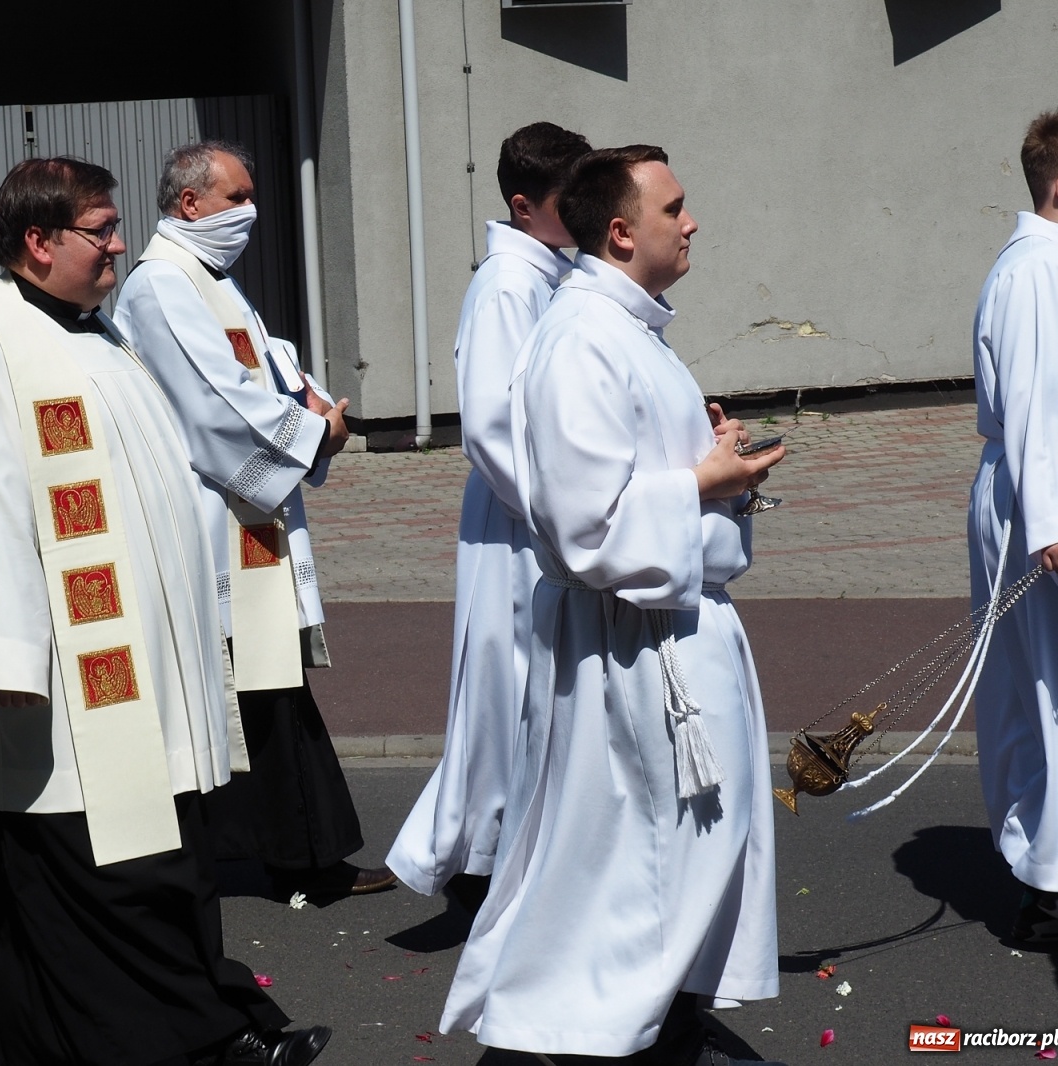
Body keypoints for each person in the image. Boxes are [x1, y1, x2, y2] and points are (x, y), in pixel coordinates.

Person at [0, 156, 330, 1066]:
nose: (118, 246)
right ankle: (204, 1043)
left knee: (165, 859)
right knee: (109, 877)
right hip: (61, 685)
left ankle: (200, 1031)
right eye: (100, 231)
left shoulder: (102, 339)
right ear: (39, 242)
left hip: (148, 663)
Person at [440, 147, 785, 1064]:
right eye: (676, 206)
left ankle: (646, 1022)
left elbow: (644, 474)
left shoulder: (628, 328)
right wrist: (704, 485)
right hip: (633, 646)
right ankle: (595, 1034)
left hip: (666, 628)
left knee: (657, 860)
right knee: (633, 864)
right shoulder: (581, 337)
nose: (693, 221)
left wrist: (715, 465)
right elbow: (585, 527)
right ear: (623, 231)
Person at [114, 141, 394, 898]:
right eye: (235, 198)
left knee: (270, 687)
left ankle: (303, 850)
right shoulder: (159, 288)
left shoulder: (212, 282)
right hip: (214, 520)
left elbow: (270, 368)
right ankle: (288, 855)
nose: (249, 212)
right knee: (250, 692)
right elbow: (218, 405)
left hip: (247, 516)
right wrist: (313, 433)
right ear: (189, 204)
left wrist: (312, 403)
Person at [386, 121, 591, 906]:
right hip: (520, 514)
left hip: (536, 506)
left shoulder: (548, 273)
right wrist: (553, 515)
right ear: (524, 203)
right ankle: (482, 864)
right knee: (506, 685)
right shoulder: (508, 284)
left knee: (525, 686)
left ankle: (502, 855)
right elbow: (492, 425)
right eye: (572, 196)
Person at [968, 109, 1058, 944]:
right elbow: (1040, 403)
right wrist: (1056, 522)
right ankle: (1053, 885)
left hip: (1041, 499)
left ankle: (1052, 868)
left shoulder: (1049, 263)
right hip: (1045, 512)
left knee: (1051, 686)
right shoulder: (1039, 270)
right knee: (1053, 690)